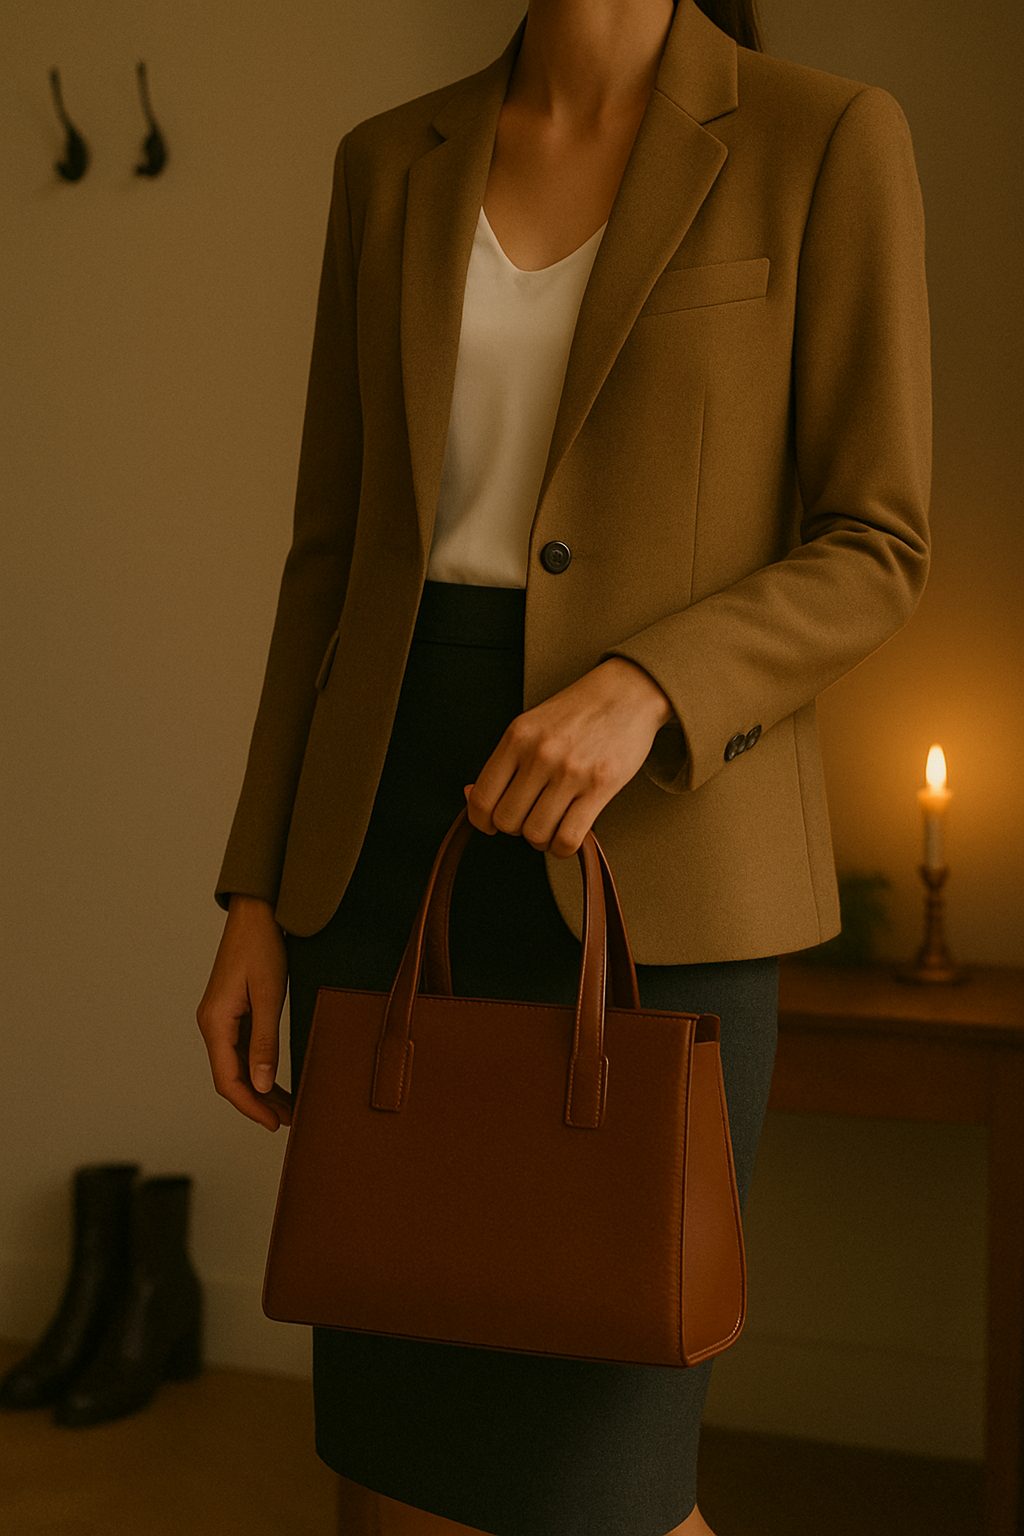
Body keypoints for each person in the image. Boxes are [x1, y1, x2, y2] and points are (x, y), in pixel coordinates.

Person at [196, 0, 932, 1531]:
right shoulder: (387, 162)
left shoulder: (825, 137)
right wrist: (256, 890)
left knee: (607, 1488)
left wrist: (652, 684)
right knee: (389, 1466)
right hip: (388, 843)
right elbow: (327, 560)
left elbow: (876, 543)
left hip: (654, 859)